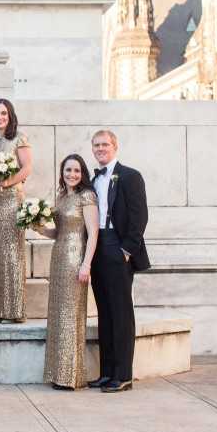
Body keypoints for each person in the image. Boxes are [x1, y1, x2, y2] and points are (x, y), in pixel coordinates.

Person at [88, 130, 149, 393]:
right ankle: (107, 372)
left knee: (121, 314)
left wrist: (127, 251)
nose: (100, 149)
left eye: (105, 145)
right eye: (96, 145)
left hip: (118, 247)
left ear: (115, 147)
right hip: (98, 247)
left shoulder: (130, 176)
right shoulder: (93, 179)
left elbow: (139, 217)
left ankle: (123, 374)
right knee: (105, 312)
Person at [35, 154, 99, 390]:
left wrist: (86, 264)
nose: (72, 174)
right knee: (58, 314)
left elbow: (93, 233)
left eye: (76, 171)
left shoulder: (87, 196)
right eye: (68, 170)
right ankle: (57, 372)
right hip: (58, 256)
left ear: (82, 173)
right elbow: (57, 233)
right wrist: (40, 228)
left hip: (75, 259)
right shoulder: (62, 198)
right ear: (62, 172)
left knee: (71, 315)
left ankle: (71, 375)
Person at [0, 99, 32, 323]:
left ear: (10, 115)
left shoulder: (19, 138)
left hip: (11, 199)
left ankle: (13, 311)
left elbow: (27, 168)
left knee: (12, 254)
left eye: (3, 113)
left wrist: (8, 182)